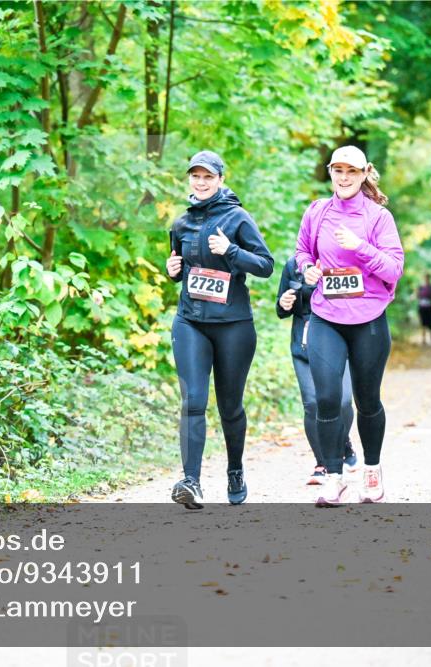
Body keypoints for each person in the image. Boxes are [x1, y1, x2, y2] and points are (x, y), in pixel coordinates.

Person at [295, 145, 404, 506]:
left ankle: (371, 470)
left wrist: (360, 247)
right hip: (326, 316)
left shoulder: (378, 218)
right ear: (330, 172)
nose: (343, 177)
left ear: (363, 174)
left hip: (369, 320)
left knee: (367, 400)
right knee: (326, 399)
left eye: (351, 172)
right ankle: (334, 476)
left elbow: (393, 269)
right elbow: (302, 252)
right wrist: (307, 268)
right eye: (337, 170)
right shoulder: (317, 212)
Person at [166, 150, 274, 509]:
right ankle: (191, 481)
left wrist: (231, 250)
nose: (201, 182)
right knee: (193, 401)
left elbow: (265, 265)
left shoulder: (238, 218)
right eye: (195, 176)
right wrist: (172, 269)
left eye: (208, 177)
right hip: (190, 321)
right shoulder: (180, 224)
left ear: (220, 180)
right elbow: (183, 269)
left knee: (230, 407)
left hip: (232, 326)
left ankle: (235, 469)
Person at [276, 257, 359, 485]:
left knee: (342, 402)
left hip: (341, 339)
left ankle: (342, 443)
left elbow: (360, 300)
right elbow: (281, 309)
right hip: (304, 344)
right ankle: (322, 463)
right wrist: (284, 303)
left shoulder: (343, 258)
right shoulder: (293, 265)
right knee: (312, 403)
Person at [417, 272, 431, 344]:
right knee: (423, 322)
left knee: (430, 321)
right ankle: (424, 338)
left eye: (427, 278)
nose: (426, 279)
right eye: (425, 278)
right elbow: (417, 295)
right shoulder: (420, 287)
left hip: (429, 306)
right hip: (422, 306)